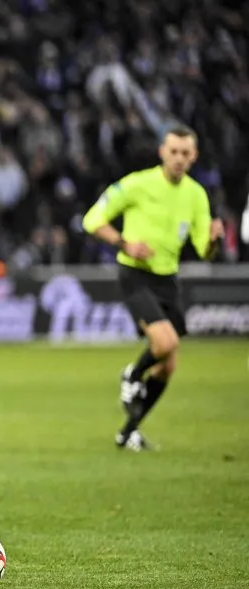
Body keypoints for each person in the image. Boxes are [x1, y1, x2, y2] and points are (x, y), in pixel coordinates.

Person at [82, 125, 223, 452]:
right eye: (173, 151)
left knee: (168, 363)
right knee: (166, 341)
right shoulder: (137, 184)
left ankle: (128, 432)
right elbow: (92, 219)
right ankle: (131, 375)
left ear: (194, 157)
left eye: (185, 153)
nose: (178, 158)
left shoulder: (196, 195)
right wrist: (123, 243)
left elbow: (204, 250)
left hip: (167, 280)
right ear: (162, 152)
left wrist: (214, 240)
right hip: (134, 274)